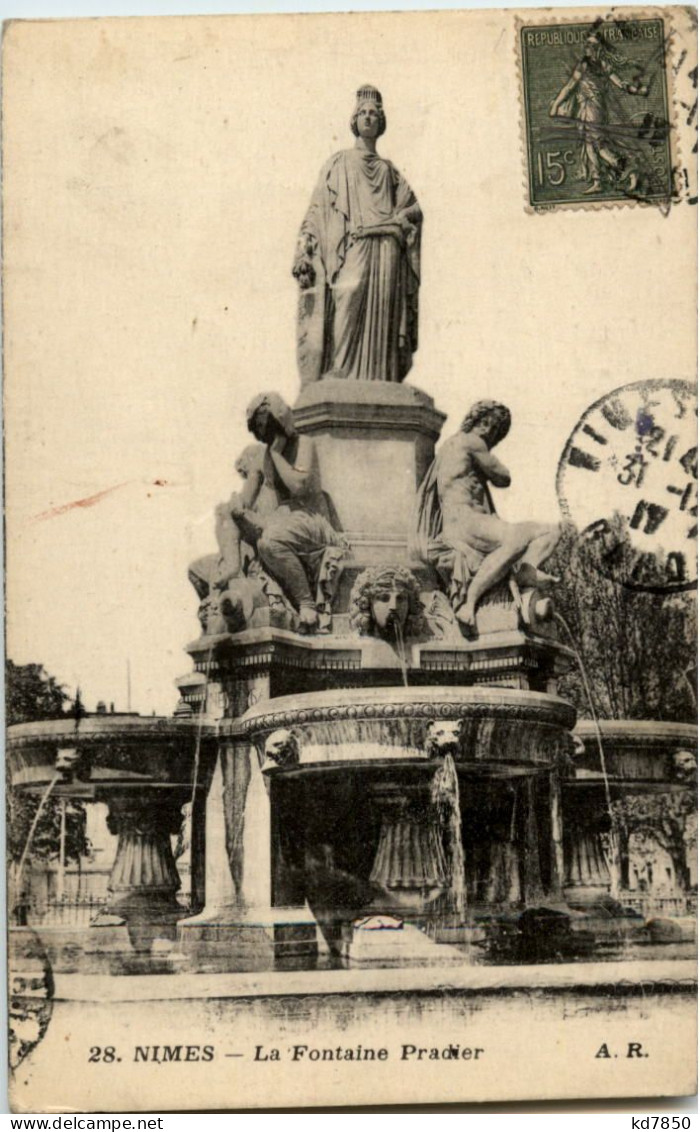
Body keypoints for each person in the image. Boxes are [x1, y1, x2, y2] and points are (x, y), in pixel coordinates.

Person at [293, 85, 422, 384]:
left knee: (383, 318)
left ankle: (382, 377)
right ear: (354, 120)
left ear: (381, 122)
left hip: (387, 249)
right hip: (356, 244)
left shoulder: (389, 171)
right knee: (347, 296)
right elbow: (316, 212)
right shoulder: (338, 163)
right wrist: (303, 250)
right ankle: (340, 368)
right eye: (363, 113)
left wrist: (401, 218)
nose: (368, 118)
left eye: (374, 114)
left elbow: (415, 208)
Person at [413, 400, 560, 632]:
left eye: (495, 429)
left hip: (468, 522)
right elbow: (503, 477)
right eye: (486, 423)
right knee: (528, 537)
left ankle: (525, 571)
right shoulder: (471, 441)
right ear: (474, 421)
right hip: (467, 522)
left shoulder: (450, 447)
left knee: (549, 532)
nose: (489, 431)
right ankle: (470, 601)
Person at [234, 392, 347, 632]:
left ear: (280, 421)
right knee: (257, 533)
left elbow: (298, 486)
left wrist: (276, 454)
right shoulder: (265, 455)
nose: (265, 434)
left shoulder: (304, 444)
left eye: (268, 426)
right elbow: (254, 498)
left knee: (270, 542)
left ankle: (306, 603)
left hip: (313, 518)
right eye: (260, 428)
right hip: (286, 519)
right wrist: (239, 508)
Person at [549, 30, 649, 195]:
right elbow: (621, 84)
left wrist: (556, 105)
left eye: (591, 45)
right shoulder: (603, 65)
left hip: (592, 110)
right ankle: (598, 182)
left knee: (599, 146)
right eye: (586, 44)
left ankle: (630, 169)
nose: (587, 47)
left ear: (598, 48)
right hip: (596, 109)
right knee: (591, 146)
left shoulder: (585, 65)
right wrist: (637, 91)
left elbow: (569, 87)